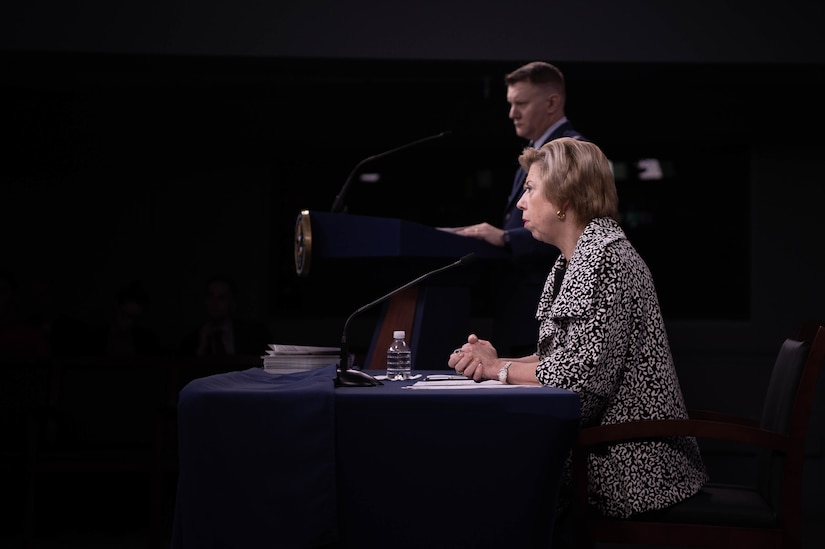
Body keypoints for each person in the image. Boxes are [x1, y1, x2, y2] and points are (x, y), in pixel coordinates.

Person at [447, 138, 707, 535]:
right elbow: (560, 357)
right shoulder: (575, 257)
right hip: (600, 448)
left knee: (485, 466)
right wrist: (497, 361)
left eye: (530, 188)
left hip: (632, 463)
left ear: (564, 198)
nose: (520, 203)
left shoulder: (605, 257)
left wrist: (498, 368)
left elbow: (575, 381)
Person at [440, 60, 590, 356]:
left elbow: (578, 225)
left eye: (520, 103)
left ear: (552, 102)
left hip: (547, 306)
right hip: (520, 306)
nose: (512, 113)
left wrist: (506, 237)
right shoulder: (539, 153)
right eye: (510, 104)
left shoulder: (571, 151)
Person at [180, 275, 271, 357]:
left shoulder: (251, 334)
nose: (214, 303)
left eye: (222, 297)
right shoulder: (194, 340)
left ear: (232, 303)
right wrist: (201, 348)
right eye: (210, 296)